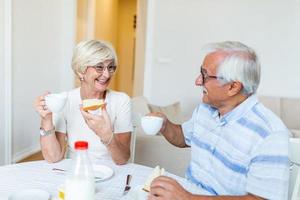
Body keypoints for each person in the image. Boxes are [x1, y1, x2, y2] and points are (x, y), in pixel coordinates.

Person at [148, 41, 290, 200]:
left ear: (233, 87)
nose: (197, 81)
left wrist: (187, 198)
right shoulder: (205, 109)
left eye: (205, 75)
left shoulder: (270, 134)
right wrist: (165, 125)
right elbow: (183, 138)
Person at [34, 40, 132, 165]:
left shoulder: (122, 101)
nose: (107, 74)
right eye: (99, 67)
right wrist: (46, 119)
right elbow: (53, 157)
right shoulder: (65, 100)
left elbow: (122, 159)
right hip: (75, 170)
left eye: (111, 67)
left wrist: (106, 135)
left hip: (112, 171)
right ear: (81, 71)